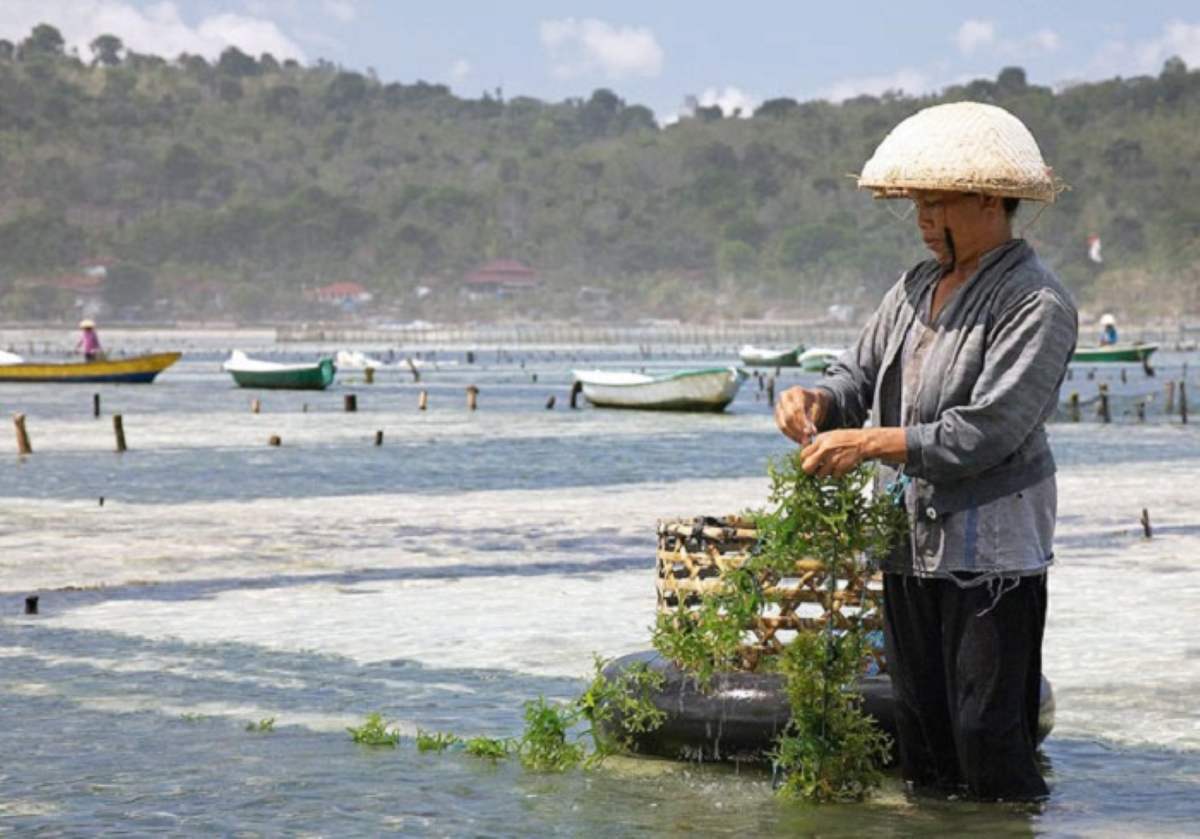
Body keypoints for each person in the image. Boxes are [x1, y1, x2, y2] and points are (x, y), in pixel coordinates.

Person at [774, 102, 1078, 801]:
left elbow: (988, 430)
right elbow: (857, 375)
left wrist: (871, 442)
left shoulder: (1036, 302)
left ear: (987, 201)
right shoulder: (914, 287)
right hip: (910, 541)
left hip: (992, 553)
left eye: (935, 201)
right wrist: (815, 402)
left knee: (986, 734)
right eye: (915, 201)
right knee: (925, 735)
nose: (920, 216)